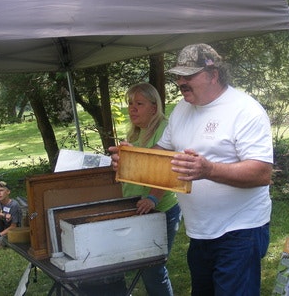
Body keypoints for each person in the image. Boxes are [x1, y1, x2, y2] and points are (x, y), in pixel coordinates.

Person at [109, 43, 273, 295]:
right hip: (200, 231)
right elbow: (163, 153)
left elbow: (262, 173)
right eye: (178, 76)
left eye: (189, 76)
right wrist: (131, 159)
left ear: (213, 74)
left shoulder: (245, 110)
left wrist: (207, 170)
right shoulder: (182, 109)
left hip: (241, 231)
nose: (181, 82)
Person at [123, 82, 181, 296]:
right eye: (130, 103)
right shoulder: (135, 133)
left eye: (139, 103)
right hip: (138, 207)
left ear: (154, 108)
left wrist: (153, 199)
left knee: (152, 269)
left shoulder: (164, 129)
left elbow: (166, 169)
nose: (132, 108)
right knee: (142, 265)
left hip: (160, 209)